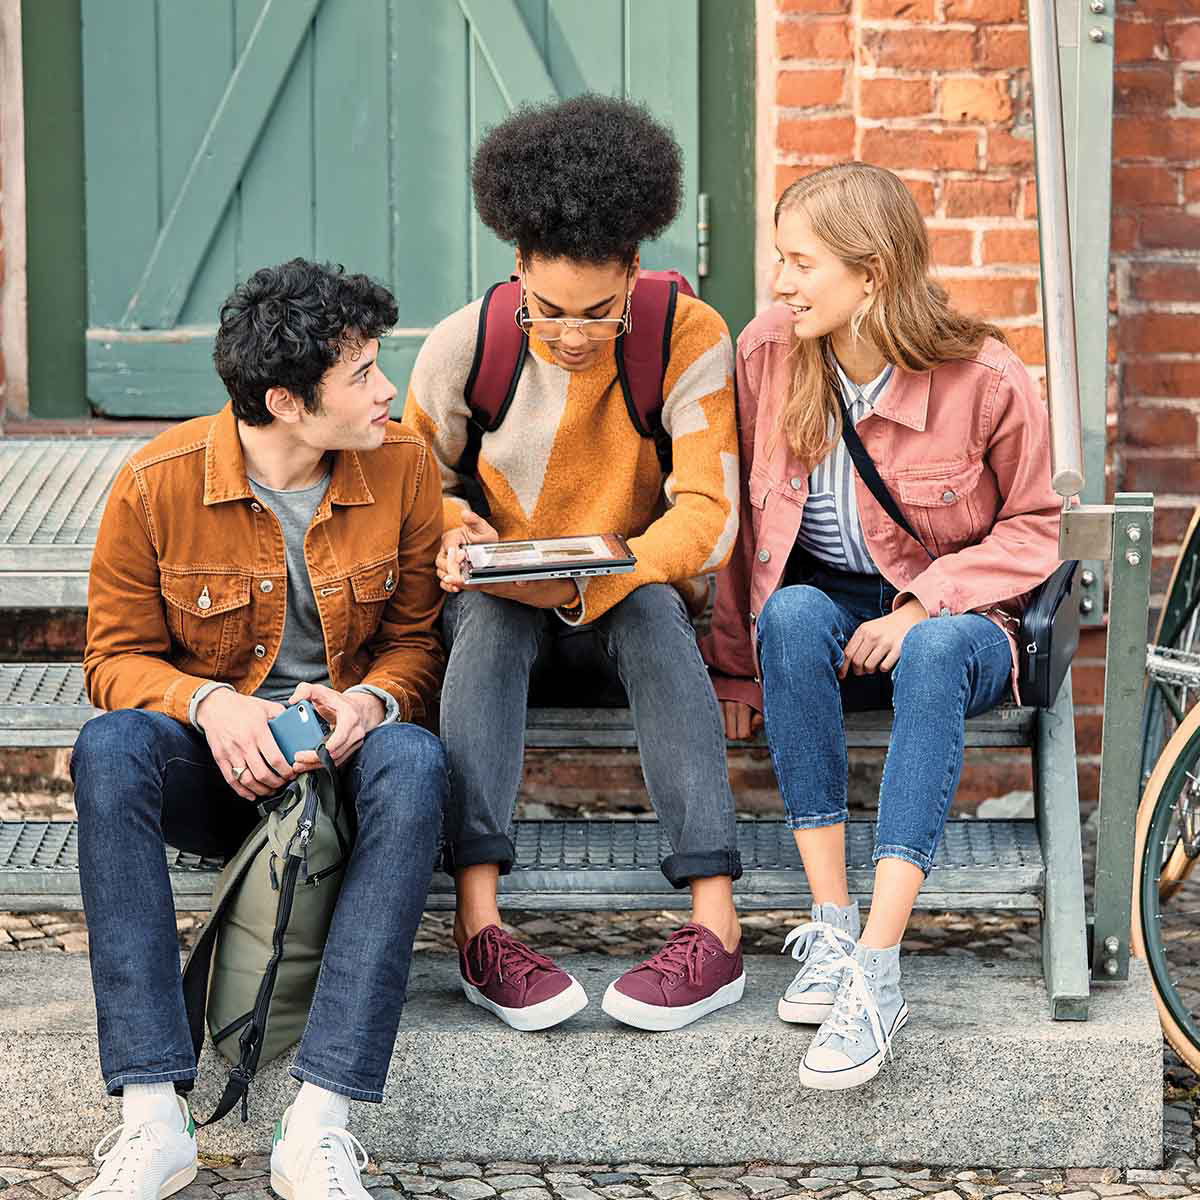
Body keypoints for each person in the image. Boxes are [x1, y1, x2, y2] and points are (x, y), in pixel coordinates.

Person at [72, 259, 447, 1200]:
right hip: (214, 770)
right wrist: (211, 704)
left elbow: (414, 644)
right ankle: (154, 1113)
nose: (387, 390)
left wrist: (368, 702)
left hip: (341, 768)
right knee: (109, 748)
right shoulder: (156, 484)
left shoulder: (403, 468)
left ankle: (318, 1121)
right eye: (361, 375)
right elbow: (112, 661)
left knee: (416, 758)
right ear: (284, 401)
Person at [703, 163, 1061, 1090]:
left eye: (799, 263)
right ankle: (829, 926)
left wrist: (921, 604)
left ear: (872, 274)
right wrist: (737, 668)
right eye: (780, 260)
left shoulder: (981, 374)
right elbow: (751, 531)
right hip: (836, 614)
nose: (780, 283)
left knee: (936, 649)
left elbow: (1033, 527)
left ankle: (878, 964)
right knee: (790, 613)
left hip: (963, 617)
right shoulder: (770, 351)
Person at [404, 94, 744, 1033]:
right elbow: (406, 490)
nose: (573, 335)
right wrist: (451, 525)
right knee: (487, 612)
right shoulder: (465, 345)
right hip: (506, 622)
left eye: (599, 314)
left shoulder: (688, 334)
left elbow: (710, 518)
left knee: (652, 610)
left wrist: (616, 570)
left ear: (635, 269)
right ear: (514, 265)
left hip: (626, 614)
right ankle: (481, 930)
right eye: (548, 310)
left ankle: (715, 930)